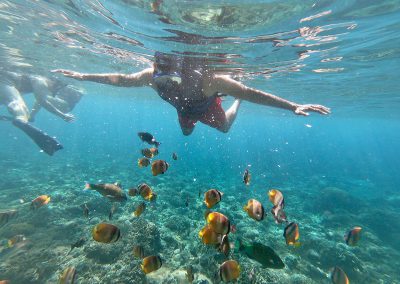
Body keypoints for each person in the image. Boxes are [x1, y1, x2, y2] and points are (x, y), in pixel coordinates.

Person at [53, 52, 330, 135]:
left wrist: (292, 105)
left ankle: (236, 106)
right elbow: (121, 80)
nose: (166, 84)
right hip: (185, 110)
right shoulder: (152, 77)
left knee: (224, 129)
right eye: (160, 76)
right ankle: (193, 121)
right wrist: (82, 75)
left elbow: (252, 91)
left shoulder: (209, 80)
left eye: (171, 77)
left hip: (207, 105)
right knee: (186, 133)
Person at [0, 70, 83, 155]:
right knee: (20, 108)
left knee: (7, 102)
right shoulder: (40, 80)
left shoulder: (39, 82)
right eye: (58, 87)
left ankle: (21, 119)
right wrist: (62, 115)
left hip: (6, 81)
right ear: (53, 81)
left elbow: (40, 100)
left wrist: (31, 116)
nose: (56, 91)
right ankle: (19, 120)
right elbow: (43, 101)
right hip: (4, 80)